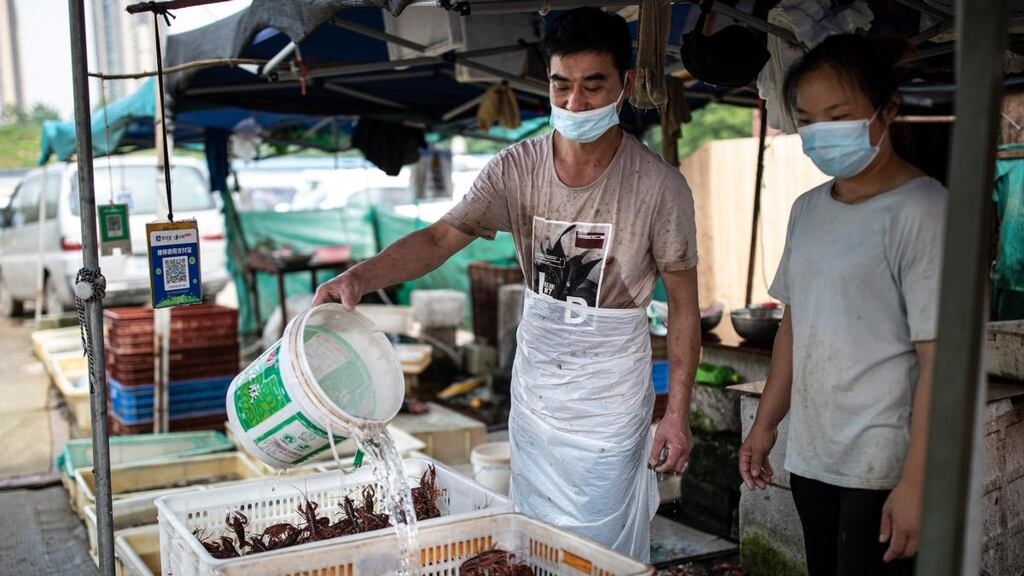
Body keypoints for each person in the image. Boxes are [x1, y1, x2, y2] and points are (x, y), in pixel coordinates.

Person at [313, 7, 701, 560]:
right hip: (539, 380)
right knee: (533, 537)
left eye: (594, 87)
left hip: (610, 391)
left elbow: (684, 310)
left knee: (600, 543)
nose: (574, 103)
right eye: (561, 86)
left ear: (627, 84)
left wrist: (678, 413)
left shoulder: (661, 187)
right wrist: (359, 277)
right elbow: (440, 239)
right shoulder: (514, 170)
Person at [738, 35, 944, 576]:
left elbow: (940, 361)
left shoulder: (924, 210)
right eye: (808, 119)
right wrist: (765, 425)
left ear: (888, 108)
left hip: (883, 468)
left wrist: (917, 483)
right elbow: (793, 329)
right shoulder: (807, 210)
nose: (822, 132)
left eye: (839, 115)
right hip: (813, 457)